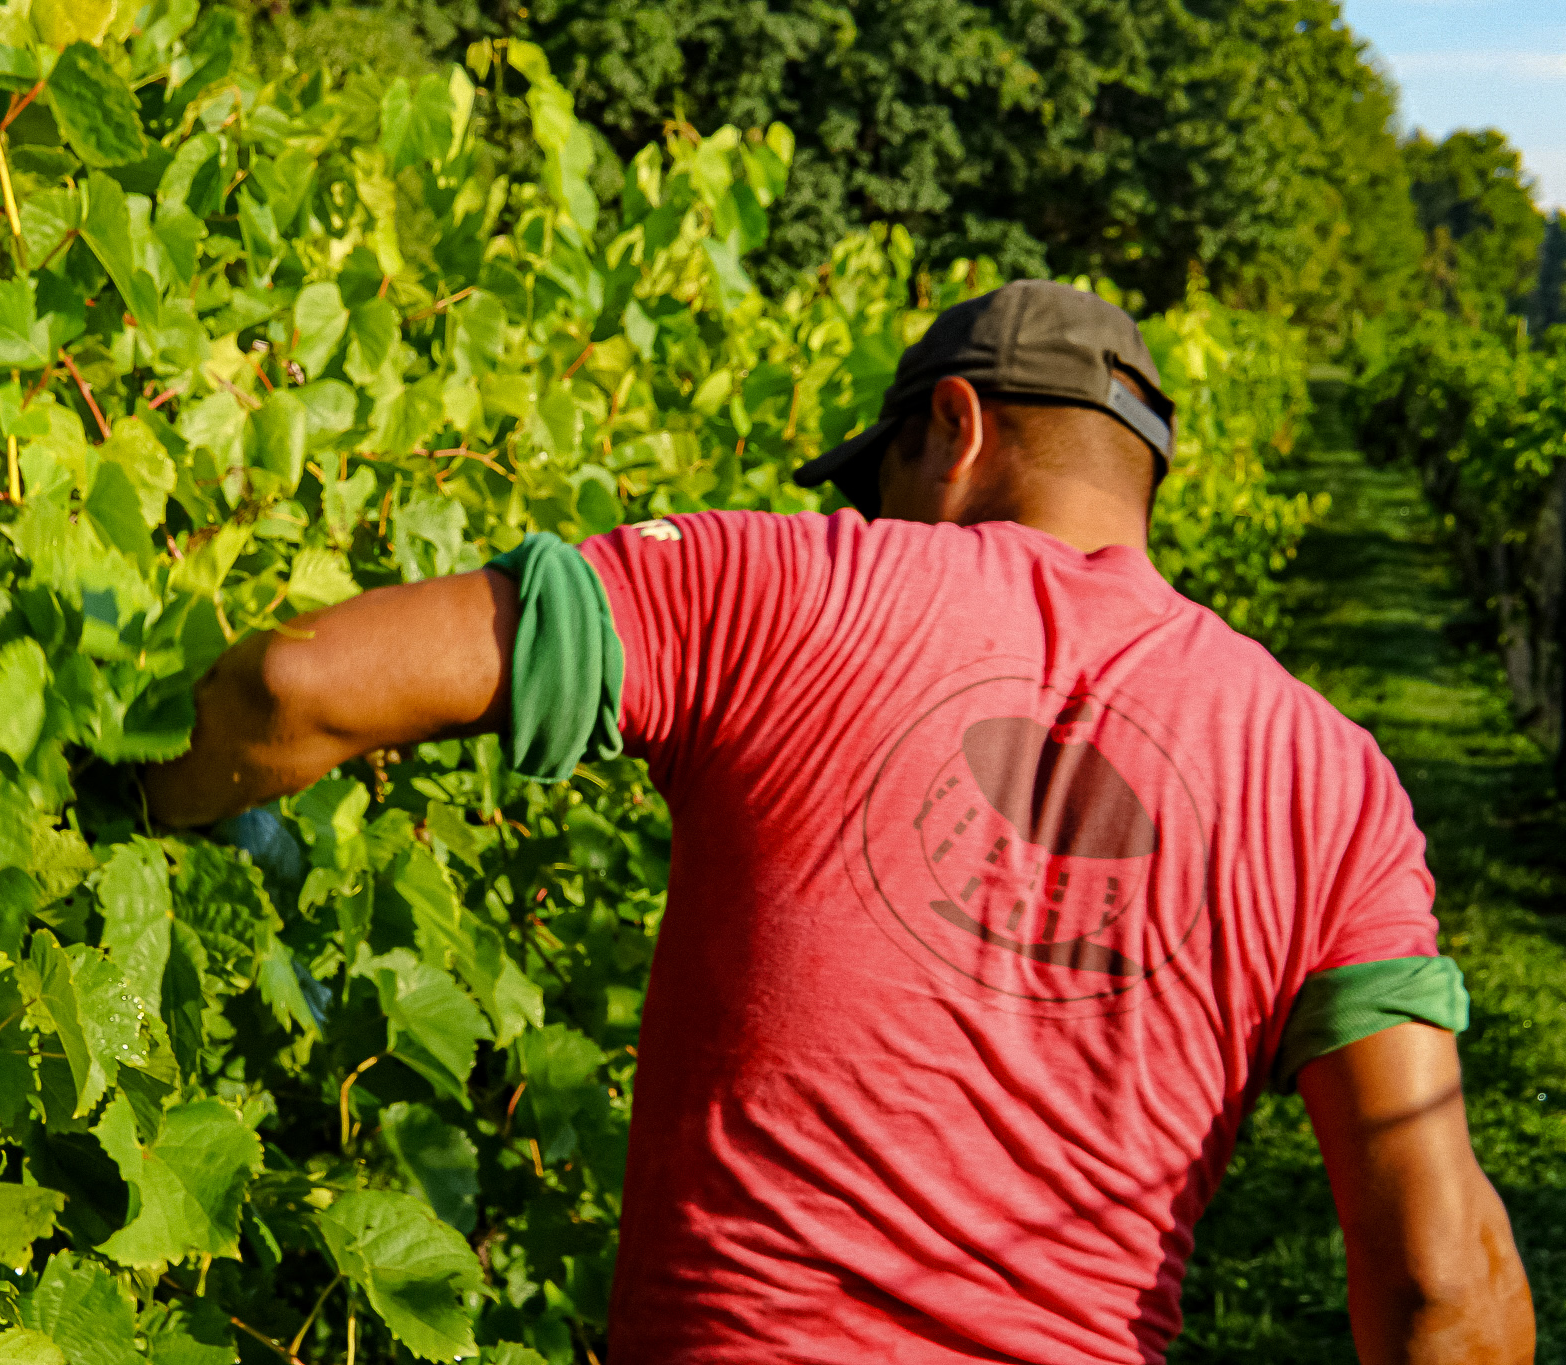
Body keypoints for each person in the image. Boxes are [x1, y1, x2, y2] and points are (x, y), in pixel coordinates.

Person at [145, 280, 1534, 1364]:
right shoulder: (1336, 784)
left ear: (955, 427)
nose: (875, 517)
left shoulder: (777, 585)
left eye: (883, 480)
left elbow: (294, 685)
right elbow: (1439, 1280)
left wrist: (135, 796)